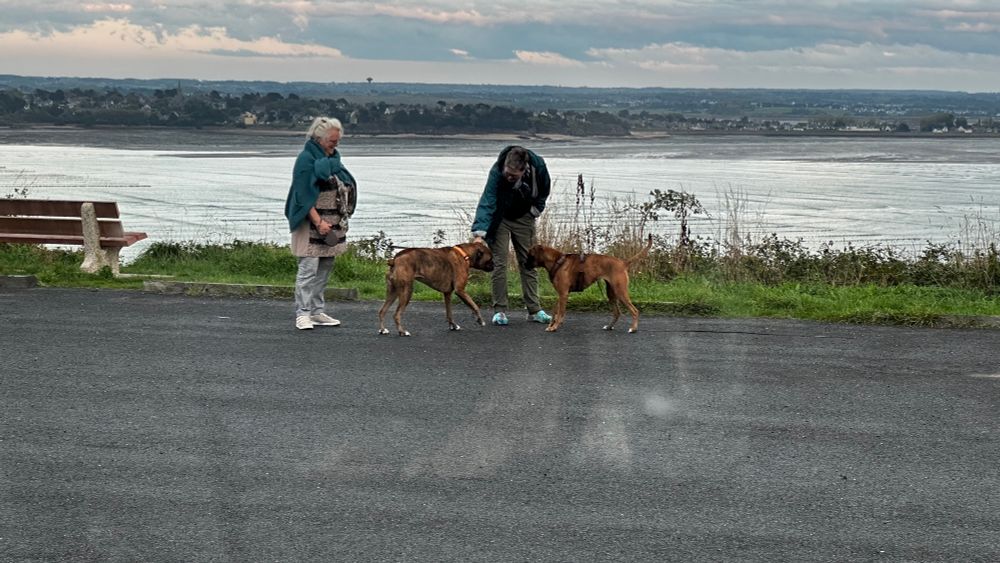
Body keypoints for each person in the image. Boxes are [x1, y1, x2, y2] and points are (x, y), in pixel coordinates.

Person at [284, 116, 357, 330]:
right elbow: (302, 195)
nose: (336, 144)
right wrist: (318, 222)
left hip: (332, 224)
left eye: (338, 140)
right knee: (308, 270)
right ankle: (303, 313)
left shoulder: (334, 159)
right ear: (319, 138)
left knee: (325, 268)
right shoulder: (305, 159)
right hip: (312, 225)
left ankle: (317, 311)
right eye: (332, 140)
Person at [471, 145, 553, 326]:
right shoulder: (496, 171)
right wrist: (479, 234)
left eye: (513, 176)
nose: (509, 177)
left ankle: (535, 310)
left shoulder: (538, 167)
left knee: (529, 261)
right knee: (499, 263)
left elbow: (545, 189)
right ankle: (499, 311)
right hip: (500, 217)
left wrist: (536, 209)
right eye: (507, 173)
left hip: (525, 216)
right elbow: (487, 200)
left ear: (524, 170)